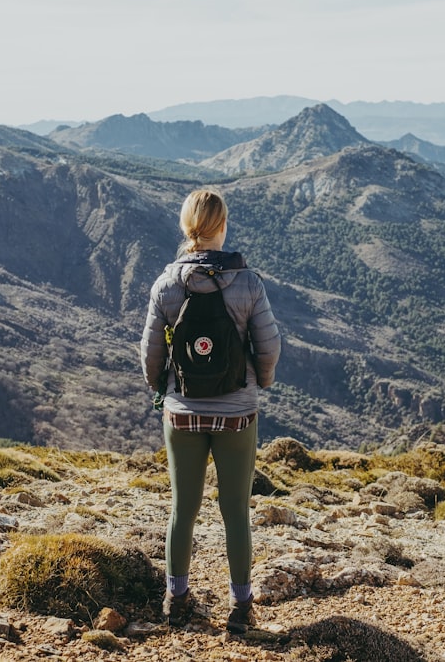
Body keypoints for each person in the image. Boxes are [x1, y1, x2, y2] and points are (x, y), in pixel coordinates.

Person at [140, 188, 281, 634]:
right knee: (235, 510)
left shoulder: (166, 284)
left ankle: (175, 600)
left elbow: (149, 355)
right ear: (222, 226)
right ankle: (240, 608)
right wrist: (260, 382)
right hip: (237, 413)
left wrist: (163, 391)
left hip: (182, 414)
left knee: (183, 508)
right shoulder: (248, 282)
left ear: (187, 228)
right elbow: (270, 346)